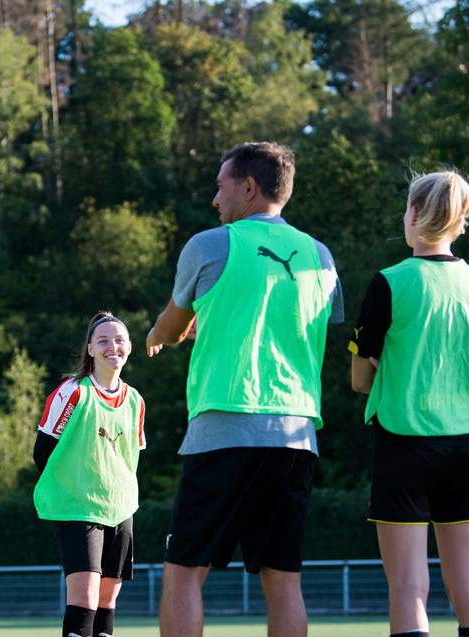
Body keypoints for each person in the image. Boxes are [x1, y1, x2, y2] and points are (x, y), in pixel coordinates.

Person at [145, 141, 344, 637]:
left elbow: (171, 328)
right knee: (283, 579)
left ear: (249, 187)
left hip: (224, 426)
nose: (215, 199)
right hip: (296, 434)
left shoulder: (210, 244)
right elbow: (305, 323)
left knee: (185, 571)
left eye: (221, 186)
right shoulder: (320, 256)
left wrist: (158, 334)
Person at [349, 170, 469, 637]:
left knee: (409, 586)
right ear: (460, 220)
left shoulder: (390, 281)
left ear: (413, 213)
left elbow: (360, 379)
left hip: (405, 441)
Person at [33, 312, 146, 637]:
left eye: (120, 340)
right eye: (104, 341)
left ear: (129, 347)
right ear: (91, 349)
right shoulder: (73, 392)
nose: (113, 346)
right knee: (84, 598)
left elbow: (130, 457)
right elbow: (42, 451)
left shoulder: (135, 400)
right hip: (78, 508)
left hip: (121, 508)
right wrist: (73, 487)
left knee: (108, 601)